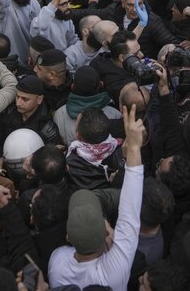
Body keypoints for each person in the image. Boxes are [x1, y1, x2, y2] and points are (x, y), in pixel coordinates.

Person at [48, 97, 146, 290]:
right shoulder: (117, 270)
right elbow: (130, 208)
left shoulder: (56, 264)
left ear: (67, 237)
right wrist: (133, 149)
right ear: (107, 233)